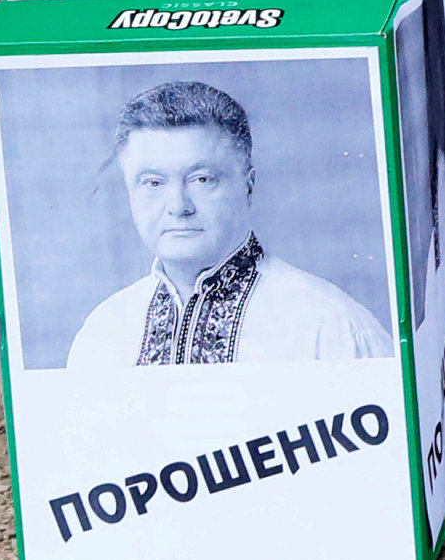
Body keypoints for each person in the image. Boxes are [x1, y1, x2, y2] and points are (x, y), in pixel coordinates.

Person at [64, 78, 392, 366]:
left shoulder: (331, 327)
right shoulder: (102, 334)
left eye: (202, 179)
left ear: (248, 185)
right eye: (153, 183)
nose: (178, 206)